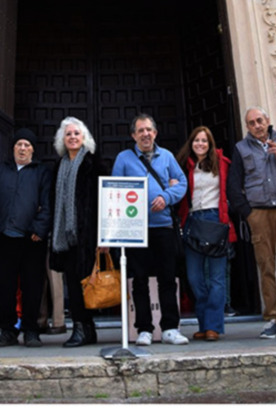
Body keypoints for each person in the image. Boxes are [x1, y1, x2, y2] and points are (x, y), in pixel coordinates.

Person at [112, 113, 189, 346]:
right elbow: (115, 188)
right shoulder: (124, 158)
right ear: (133, 135)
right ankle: (144, 329)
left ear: (155, 133)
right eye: (140, 131)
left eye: (149, 130)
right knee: (139, 280)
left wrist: (166, 196)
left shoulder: (166, 156)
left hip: (163, 226)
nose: (145, 134)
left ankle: (170, 328)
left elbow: (182, 183)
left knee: (167, 278)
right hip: (135, 230)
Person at [227, 107, 276, 338]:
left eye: (259, 120)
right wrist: (249, 214)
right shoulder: (241, 148)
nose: (257, 125)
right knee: (266, 267)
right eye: (252, 123)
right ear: (247, 127)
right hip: (260, 213)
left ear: (267, 120)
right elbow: (233, 186)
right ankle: (273, 318)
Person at [176, 125, 236, 342]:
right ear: (191, 143)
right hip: (192, 220)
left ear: (210, 144)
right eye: (196, 140)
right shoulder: (183, 165)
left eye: (204, 141)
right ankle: (204, 323)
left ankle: (213, 326)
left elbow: (233, 190)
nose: (200, 144)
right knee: (194, 277)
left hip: (215, 219)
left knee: (217, 278)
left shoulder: (222, 163)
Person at [49, 116, 105, 348]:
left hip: (88, 237)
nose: (72, 137)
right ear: (62, 139)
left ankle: (83, 329)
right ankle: (84, 329)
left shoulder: (94, 164)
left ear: (84, 138)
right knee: (73, 284)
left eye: (76, 133)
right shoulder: (59, 166)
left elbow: (105, 200)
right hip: (66, 237)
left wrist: (103, 236)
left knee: (85, 284)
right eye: (68, 134)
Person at [0, 128, 52, 348]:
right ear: (13, 148)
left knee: (32, 286)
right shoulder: (3, 170)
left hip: (32, 239)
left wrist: (39, 229)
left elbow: (47, 203)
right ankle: (7, 330)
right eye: (19, 145)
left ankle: (31, 330)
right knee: (5, 286)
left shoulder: (41, 172)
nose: (22, 149)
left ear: (32, 149)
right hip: (5, 237)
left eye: (27, 145)